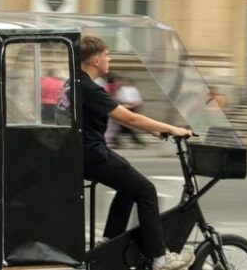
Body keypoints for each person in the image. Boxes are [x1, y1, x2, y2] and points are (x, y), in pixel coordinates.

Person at [78, 36, 195, 270]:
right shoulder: (89, 88)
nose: (110, 59)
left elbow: (122, 116)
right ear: (97, 60)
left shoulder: (74, 83)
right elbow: (129, 117)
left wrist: (154, 130)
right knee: (145, 191)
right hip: (92, 154)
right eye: (108, 55)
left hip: (82, 153)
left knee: (129, 187)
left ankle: (108, 244)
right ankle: (160, 259)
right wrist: (172, 128)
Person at [112, 77, 146, 148]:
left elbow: (138, 101)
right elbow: (118, 100)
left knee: (125, 125)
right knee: (124, 125)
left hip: (130, 108)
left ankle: (116, 141)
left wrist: (132, 106)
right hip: (122, 107)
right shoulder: (119, 90)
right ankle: (117, 141)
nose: (120, 83)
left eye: (122, 81)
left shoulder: (132, 89)